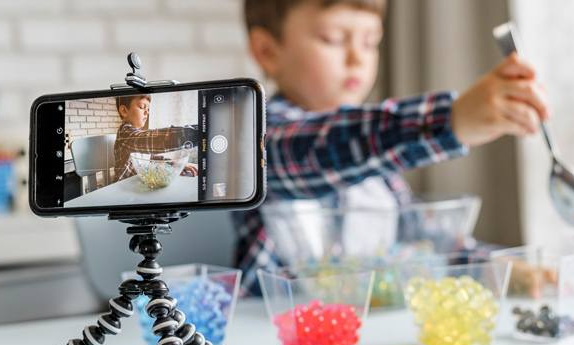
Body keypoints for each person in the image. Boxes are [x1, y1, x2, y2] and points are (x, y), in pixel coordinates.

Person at [234, 0, 551, 296]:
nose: (358, 58)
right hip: (274, 331)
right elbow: (314, 151)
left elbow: (422, 241)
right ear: (267, 52)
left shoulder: (380, 161)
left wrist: (498, 267)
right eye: (332, 39)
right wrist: (449, 119)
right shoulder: (256, 139)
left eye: (371, 42)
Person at [113, 94, 199, 182]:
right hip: (124, 187)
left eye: (148, 109)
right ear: (124, 111)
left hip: (139, 185)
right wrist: (194, 134)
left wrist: (173, 163)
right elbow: (150, 140)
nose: (147, 112)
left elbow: (152, 158)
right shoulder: (124, 133)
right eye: (142, 107)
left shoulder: (136, 133)